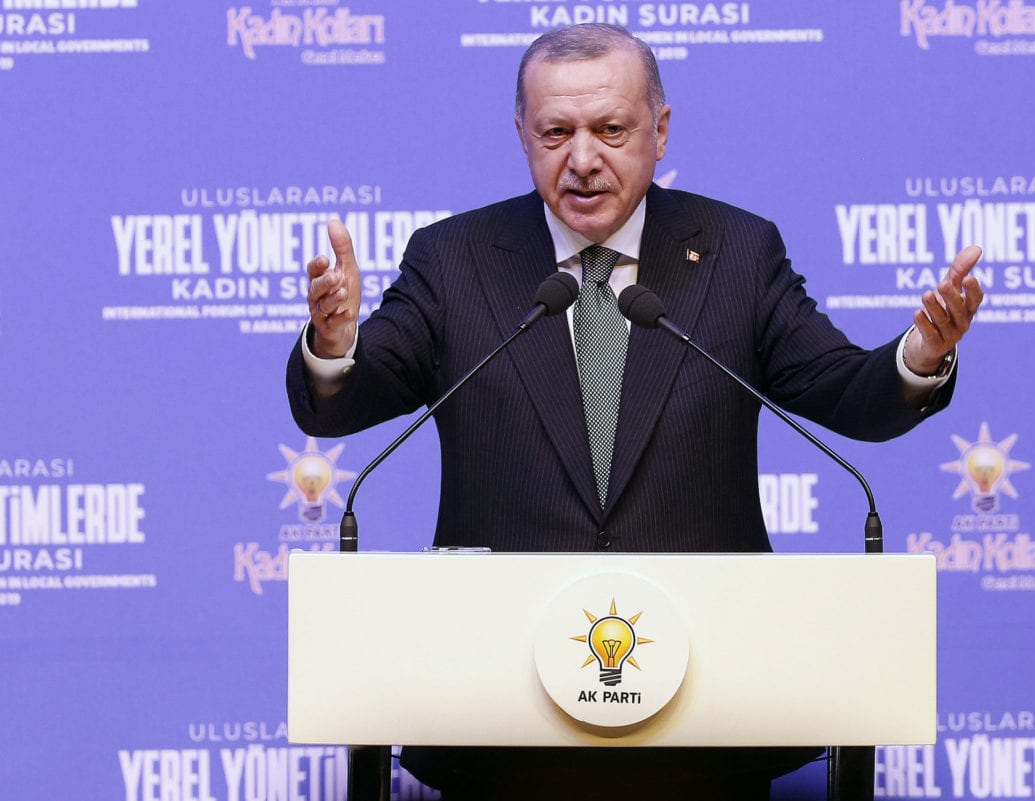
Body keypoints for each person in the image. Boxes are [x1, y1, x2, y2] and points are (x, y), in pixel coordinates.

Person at [287, 22, 983, 801]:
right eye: (556, 132)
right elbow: (348, 397)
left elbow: (846, 392)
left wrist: (919, 355)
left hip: (706, 725)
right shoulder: (455, 259)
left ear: (660, 129)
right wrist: (333, 343)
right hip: (501, 729)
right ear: (522, 135)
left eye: (610, 129)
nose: (582, 158)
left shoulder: (736, 251)